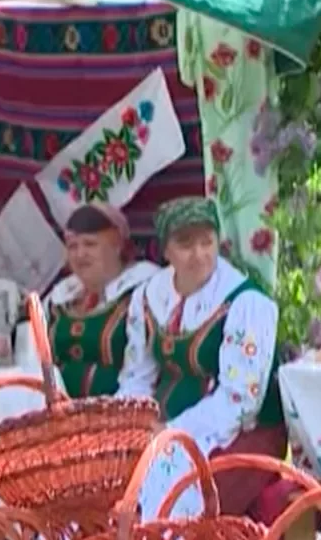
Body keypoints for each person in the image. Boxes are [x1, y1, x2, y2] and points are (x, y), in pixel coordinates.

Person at [117, 197, 288, 522]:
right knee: (109, 468)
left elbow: (240, 401)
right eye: (185, 244)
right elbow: (137, 374)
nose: (199, 254)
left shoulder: (246, 302)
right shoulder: (149, 296)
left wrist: (171, 431)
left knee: (171, 479)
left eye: (207, 242)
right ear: (166, 251)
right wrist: (129, 423)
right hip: (162, 427)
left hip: (243, 434)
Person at [44, 203, 159, 398]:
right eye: (73, 246)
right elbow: (32, 356)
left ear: (116, 246)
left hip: (121, 408)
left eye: (90, 244)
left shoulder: (144, 290)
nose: (80, 254)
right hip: (57, 411)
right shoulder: (61, 295)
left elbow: (143, 374)